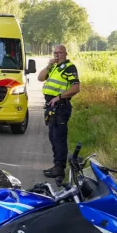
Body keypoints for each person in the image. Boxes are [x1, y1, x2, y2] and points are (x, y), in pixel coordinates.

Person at [37, 44, 80, 178]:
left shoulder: (69, 68)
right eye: (55, 53)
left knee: (59, 138)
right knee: (53, 137)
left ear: (65, 53)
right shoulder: (54, 67)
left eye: (59, 53)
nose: (57, 55)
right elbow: (40, 77)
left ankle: (60, 168)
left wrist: (59, 97)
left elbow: (76, 88)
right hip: (52, 106)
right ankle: (56, 165)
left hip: (61, 106)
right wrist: (49, 65)